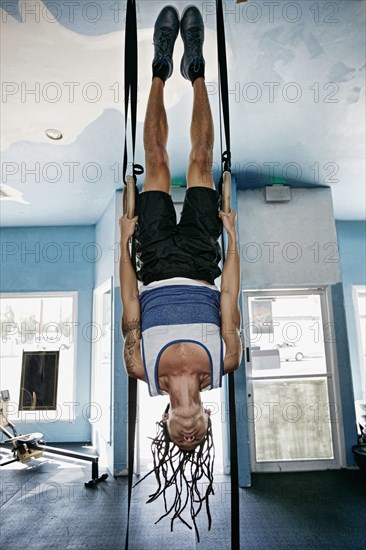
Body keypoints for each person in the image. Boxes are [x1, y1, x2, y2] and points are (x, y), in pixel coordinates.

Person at [119, 4, 242, 535]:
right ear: (208, 420)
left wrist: (122, 248)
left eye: (178, 437)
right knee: (198, 159)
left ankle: (158, 67)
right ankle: (196, 71)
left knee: (155, 157)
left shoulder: (142, 370)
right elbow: (230, 300)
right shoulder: (226, 360)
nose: (187, 433)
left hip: (151, 265)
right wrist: (234, 240)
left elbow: (129, 306)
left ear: (164, 421)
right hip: (198, 260)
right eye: (199, 438)